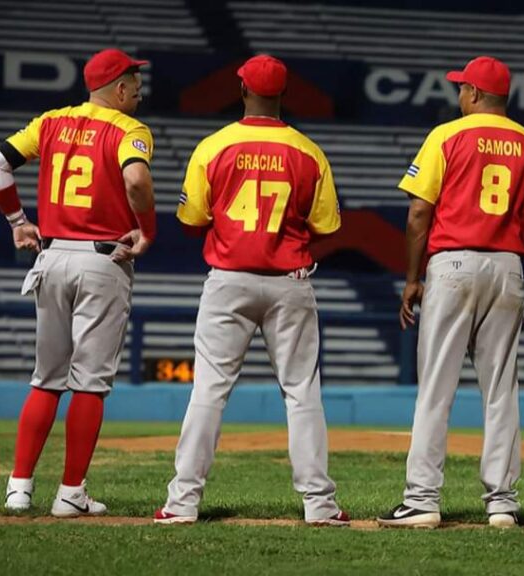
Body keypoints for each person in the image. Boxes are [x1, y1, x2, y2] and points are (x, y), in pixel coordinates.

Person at [153, 55, 348, 526]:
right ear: (284, 94)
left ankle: (182, 503)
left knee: (208, 391)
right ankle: (319, 505)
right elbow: (327, 225)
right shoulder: (308, 151)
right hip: (290, 282)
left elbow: (190, 219)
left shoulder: (213, 146)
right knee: (302, 393)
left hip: (229, 279)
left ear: (241, 89)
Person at [376, 56, 524, 529]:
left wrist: (413, 277)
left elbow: (419, 213)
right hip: (508, 269)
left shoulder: (445, 136)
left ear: (476, 94)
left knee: (436, 387)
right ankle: (502, 502)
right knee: (501, 389)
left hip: (453, 263)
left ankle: (421, 500)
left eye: (462, 88)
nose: (458, 94)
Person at [0, 48, 157, 517]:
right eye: (135, 83)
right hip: (103, 259)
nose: (140, 90)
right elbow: (137, 182)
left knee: (46, 380)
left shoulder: (50, 122)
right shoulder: (129, 129)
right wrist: (148, 228)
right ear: (118, 89)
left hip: (51, 256)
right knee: (89, 384)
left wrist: (18, 220)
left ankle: (18, 488)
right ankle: (70, 493)